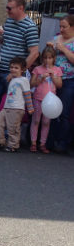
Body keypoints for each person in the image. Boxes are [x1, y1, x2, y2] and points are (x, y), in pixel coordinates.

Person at [0, 0, 39, 138]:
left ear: (20, 8)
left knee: (10, 107)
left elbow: (34, 53)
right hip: (1, 69)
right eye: (7, 7)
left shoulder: (30, 27)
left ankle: (6, 137)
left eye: (10, 8)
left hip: (13, 74)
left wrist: (18, 73)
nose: (7, 10)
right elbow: (7, 42)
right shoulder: (9, 22)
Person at [0, 57, 34, 153]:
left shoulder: (24, 80)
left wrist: (30, 107)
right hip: (7, 107)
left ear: (22, 70)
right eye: (11, 67)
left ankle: (13, 145)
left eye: (16, 68)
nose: (13, 69)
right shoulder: (11, 79)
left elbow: (27, 93)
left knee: (13, 128)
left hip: (17, 108)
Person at [47, 13, 74, 153]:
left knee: (64, 112)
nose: (61, 29)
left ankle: (62, 142)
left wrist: (63, 49)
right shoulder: (56, 38)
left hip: (69, 80)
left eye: (65, 27)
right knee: (51, 111)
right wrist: (49, 48)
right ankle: (49, 141)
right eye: (60, 26)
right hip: (53, 78)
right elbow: (46, 56)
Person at [30, 46, 63, 154]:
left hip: (50, 102)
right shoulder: (38, 69)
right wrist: (41, 78)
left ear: (54, 58)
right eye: (45, 58)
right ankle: (33, 142)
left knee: (46, 122)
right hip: (38, 99)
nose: (47, 60)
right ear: (42, 58)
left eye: (49, 58)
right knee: (36, 120)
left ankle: (42, 143)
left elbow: (59, 85)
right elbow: (32, 83)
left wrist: (54, 77)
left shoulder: (57, 70)